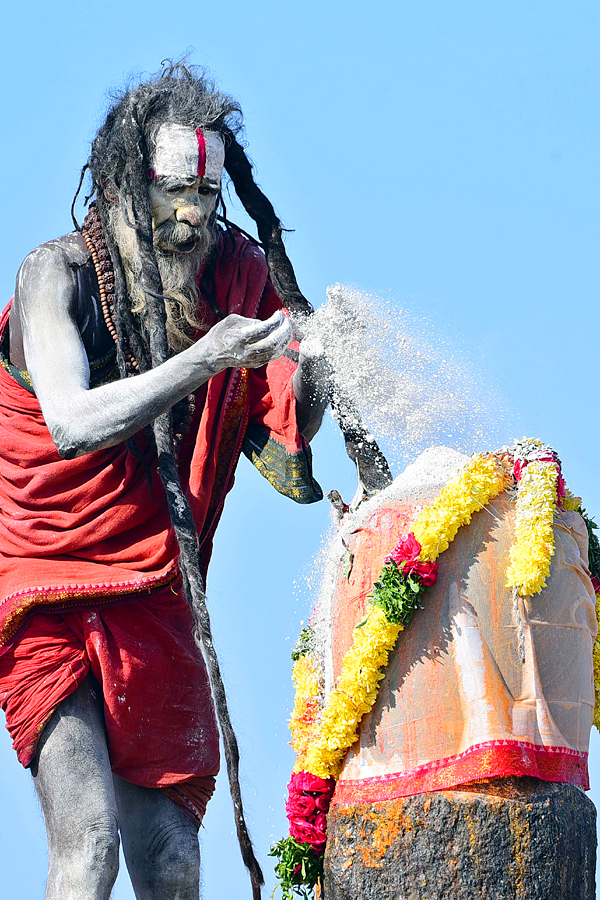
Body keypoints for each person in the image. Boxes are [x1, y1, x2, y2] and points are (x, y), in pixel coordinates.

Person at [0, 61, 327, 900]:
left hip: (158, 596)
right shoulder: (57, 276)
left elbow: (278, 419)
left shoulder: (233, 277)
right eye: (171, 193)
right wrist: (204, 358)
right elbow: (70, 424)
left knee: (176, 863)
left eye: (204, 198)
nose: (189, 217)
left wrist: (319, 363)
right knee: (90, 845)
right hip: (47, 591)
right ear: (122, 183)